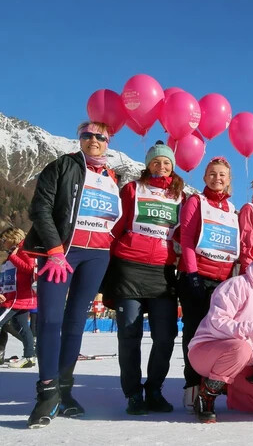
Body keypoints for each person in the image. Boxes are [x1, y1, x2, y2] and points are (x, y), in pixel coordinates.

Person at [22, 121, 122, 428]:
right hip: (62, 252)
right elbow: (40, 208)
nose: (93, 139)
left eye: (100, 136)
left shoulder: (112, 176)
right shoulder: (62, 165)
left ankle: (65, 391)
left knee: (76, 321)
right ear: (80, 138)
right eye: (87, 135)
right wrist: (53, 248)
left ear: (108, 141)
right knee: (50, 319)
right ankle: (47, 392)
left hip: (98, 255)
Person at [104, 141, 185, 415]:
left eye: (166, 163)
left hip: (162, 272)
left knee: (165, 336)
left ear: (172, 167)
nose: (161, 167)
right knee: (129, 335)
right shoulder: (132, 189)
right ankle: (132, 394)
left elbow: (184, 236)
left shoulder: (181, 197)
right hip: (129, 267)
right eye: (156, 162)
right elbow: (116, 227)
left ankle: (153, 389)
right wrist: (109, 274)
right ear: (148, 165)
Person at [188, 241, 253, 423]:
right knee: (241, 348)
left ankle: (228, 385)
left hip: (241, 363)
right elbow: (217, 321)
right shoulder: (236, 286)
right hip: (206, 352)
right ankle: (206, 395)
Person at [177, 156, 239, 411]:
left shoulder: (232, 209)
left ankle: (211, 384)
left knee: (218, 333)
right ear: (205, 177)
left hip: (221, 281)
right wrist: (191, 274)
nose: (217, 178)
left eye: (222, 175)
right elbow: (188, 240)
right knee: (194, 332)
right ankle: (192, 384)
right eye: (212, 174)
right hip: (196, 276)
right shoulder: (195, 201)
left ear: (229, 180)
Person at [0, 227, 37, 368]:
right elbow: (7, 276)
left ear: (12, 238)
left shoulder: (23, 248)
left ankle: (30, 355)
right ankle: (29, 356)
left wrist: (13, 257)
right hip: (13, 297)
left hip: (18, 298)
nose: (3, 244)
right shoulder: (12, 253)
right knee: (20, 327)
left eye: (4, 240)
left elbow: (30, 267)